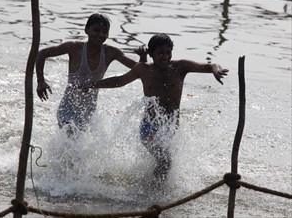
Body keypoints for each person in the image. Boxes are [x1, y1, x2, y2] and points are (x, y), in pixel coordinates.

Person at [81, 33, 229, 186]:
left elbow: (209, 65)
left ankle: (149, 186)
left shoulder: (180, 67)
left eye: (167, 52)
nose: (164, 57)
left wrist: (216, 70)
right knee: (165, 160)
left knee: (163, 161)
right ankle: (154, 193)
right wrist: (92, 85)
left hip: (171, 127)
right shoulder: (143, 69)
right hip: (148, 126)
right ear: (151, 54)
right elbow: (120, 81)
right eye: (160, 53)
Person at [35, 13, 147, 135]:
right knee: (70, 134)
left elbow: (140, 71)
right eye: (96, 30)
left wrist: (143, 57)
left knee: (80, 145)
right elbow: (42, 53)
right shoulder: (74, 47)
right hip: (67, 108)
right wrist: (40, 81)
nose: (100, 35)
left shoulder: (111, 52)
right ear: (86, 30)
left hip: (89, 112)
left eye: (104, 32)